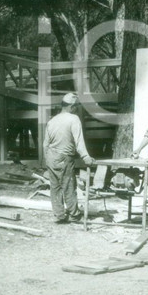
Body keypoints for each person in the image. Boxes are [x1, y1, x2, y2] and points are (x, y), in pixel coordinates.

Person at [43, 92, 96, 223]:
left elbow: (45, 144)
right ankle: (74, 214)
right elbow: (79, 141)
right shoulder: (73, 119)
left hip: (51, 156)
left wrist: (47, 160)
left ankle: (59, 215)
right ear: (72, 106)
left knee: (55, 187)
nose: (76, 109)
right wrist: (86, 157)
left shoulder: (52, 121)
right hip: (64, 157)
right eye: (76, 107)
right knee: (69, 185)